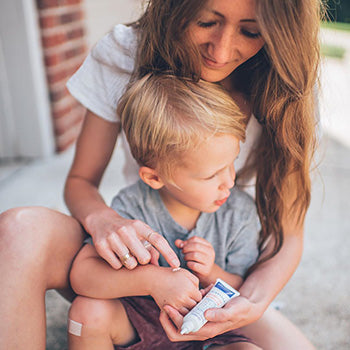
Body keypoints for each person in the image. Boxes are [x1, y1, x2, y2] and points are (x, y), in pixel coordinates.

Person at [0, 1, 323, 349]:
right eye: (206, 22)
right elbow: (81, 181)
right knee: (19, 232)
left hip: (217, 293)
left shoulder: (286, 82)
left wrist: (250, 302)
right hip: (132, 280)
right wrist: (104, 220)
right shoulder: (126, 54)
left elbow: (288, 235)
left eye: (251, 31)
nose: (222, 49)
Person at [68, 73, 261, 349]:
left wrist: (212, 272)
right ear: (154, 178)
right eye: (212, 175)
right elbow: (82, 274)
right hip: (143, 320)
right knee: (85, 313)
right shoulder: (133, 207)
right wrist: (152, 281)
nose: (229, 181)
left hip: (214, 329)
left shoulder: (238, 212)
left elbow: (243, 285)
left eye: (232, 163)